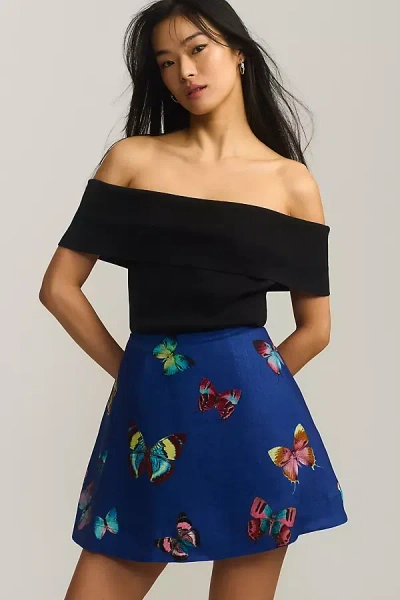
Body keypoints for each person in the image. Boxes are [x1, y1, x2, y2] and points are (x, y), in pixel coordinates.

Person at [39, 1, 348, 599]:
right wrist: (138, 376)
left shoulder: (291, 183)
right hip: (152, 411)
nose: (184, 71)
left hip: (256, 428)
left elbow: (316, 328)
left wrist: (242, 394)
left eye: (197, 48)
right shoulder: (133, 160)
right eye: (166, 61)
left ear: (238, 51)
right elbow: (58, 287)